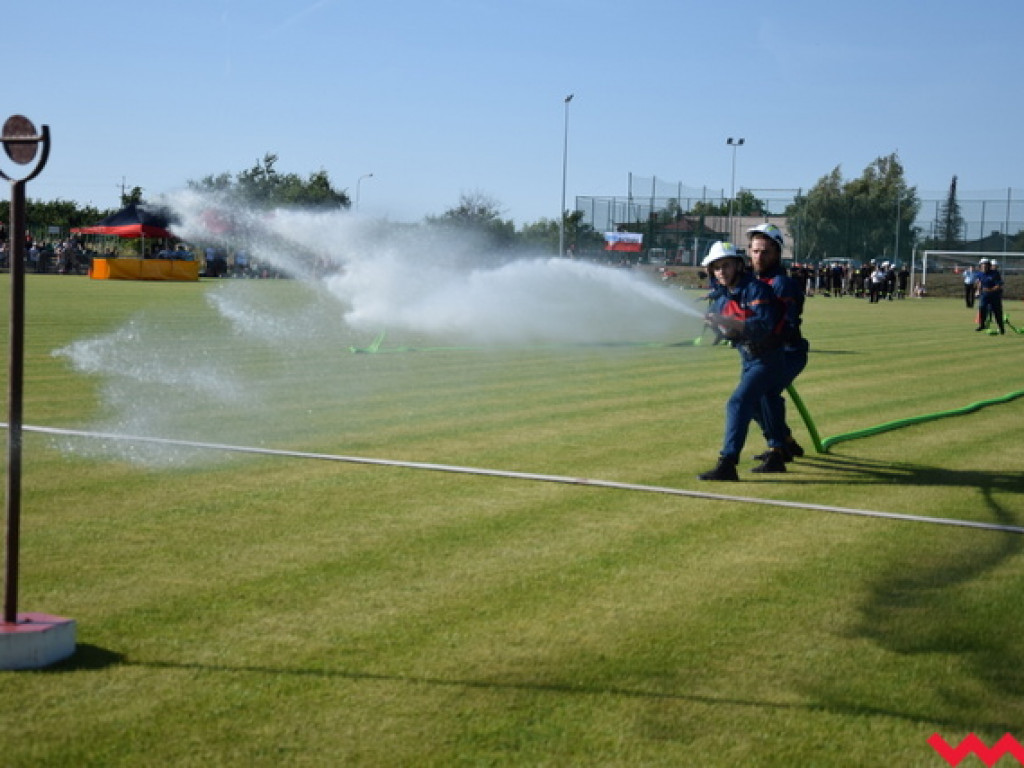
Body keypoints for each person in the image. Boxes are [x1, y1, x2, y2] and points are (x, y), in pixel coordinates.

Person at [698, 241, 786, 481]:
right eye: (716, 268)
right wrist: (718, 327)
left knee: (738, 402)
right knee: (760, 404)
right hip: (748, 358)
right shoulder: (722, 299)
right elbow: (731, 335)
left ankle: (727, 462)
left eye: (726, 265)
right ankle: (778, 450)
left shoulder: (756, 290)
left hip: (768, 358)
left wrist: (728, 323)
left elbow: (764, 327)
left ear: (738, 265)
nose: (721, 272)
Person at [747, 223, 808, 468]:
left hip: (788, 353)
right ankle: (784, 441)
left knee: (765, 392)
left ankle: (777, 450)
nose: (759, 256)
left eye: (765, 252)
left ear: (777, 253)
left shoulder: (781, 284)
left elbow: (785, 326)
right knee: (748, 400)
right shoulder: (752, 282)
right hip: (764, 354)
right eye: (755, 251)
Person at [974, 258, 1005, 334]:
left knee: (997, 312)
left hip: (995, 296)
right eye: (982, 265)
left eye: (986, 265)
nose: (984, 267)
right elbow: (979, 282)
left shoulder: (995, 273)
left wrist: (990, 290)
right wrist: (978, 290)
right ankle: (982, 325)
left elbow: (998, 285)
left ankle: (1001, 328)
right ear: (980, 266)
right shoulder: (979, 274)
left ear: (989, 266)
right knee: (982, 308)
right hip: (984, 296)